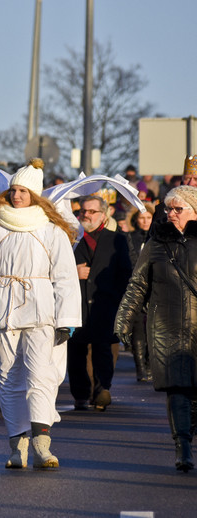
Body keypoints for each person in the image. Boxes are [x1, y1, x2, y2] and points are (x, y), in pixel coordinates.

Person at [0, 159, 81, 469]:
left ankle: (43, 444)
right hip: (1, 309)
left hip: (42, 310)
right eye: (13, 190)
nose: (16, 195)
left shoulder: (51, 229)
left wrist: (67, 320)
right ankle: (18, 446)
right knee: (8, 377)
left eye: (22, 191)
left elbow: (66, 277)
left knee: (40, 375)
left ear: (35, 194)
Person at [114, 186, 197, 472]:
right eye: (168, 209)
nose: (171, 214)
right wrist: (123, 318)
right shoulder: (156, 243)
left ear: (194, 212)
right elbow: (138, 285)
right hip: (166, 326)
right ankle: (182, 445)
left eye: (178, 209)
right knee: (178, 388)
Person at [69, 195, 132, 411]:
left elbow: (125, 273)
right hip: (76, 303)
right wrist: (72, 272)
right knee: (76, 351)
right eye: (83, 211)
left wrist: (121, 302)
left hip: (105, 303)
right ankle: (80, 394)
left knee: (103, 348)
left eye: (91, 211)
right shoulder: (71, 239)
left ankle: (102, 389)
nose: (86, 215)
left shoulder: (117, 240)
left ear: (103, 215)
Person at [126, 202, 154, 381]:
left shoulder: (158, 237)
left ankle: (151, 366)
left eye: (148, 218)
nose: (145, 221)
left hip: (155, 286)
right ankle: (140, 369)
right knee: (137, 328)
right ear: (136, 220)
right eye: (142, 218)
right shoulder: (129, 237)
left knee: (153, 326)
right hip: (135, 285)